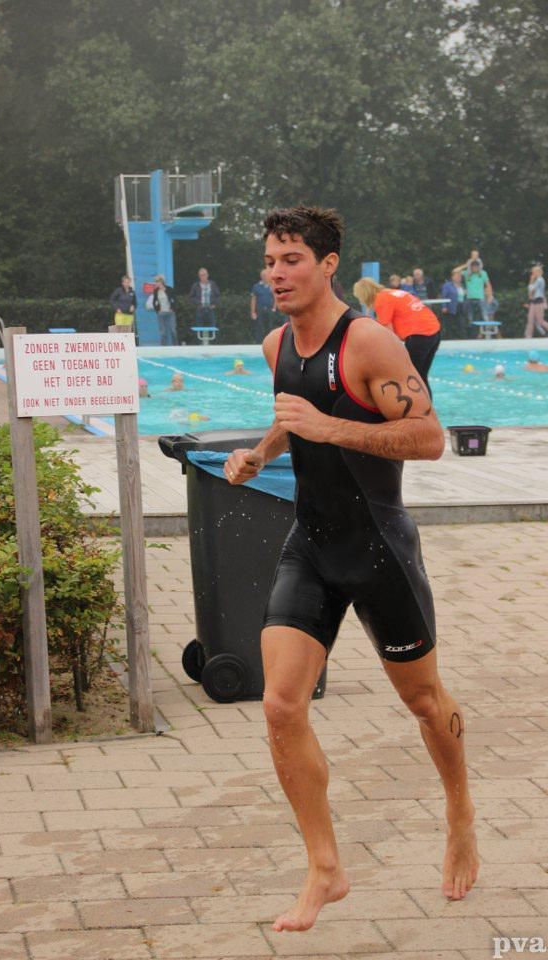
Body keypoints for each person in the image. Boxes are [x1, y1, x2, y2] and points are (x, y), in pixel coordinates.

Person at [224, 205, 478, 933]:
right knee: (279, 704)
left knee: (426, 704)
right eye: (271, 260)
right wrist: (261, 454)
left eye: (292, 259)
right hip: (312, 543)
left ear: (329, 263)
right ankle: (325, 867)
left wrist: (332, 429)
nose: (277, 273)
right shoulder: (277, 341)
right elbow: (294, 411)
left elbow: (430, 438)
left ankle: (459, 811)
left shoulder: (367, 342)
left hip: (378, 550)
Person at [353, 277, 441, 396]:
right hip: (434, 332)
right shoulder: (391, 293)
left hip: (420, 336)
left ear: (364, 294)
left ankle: (417, 410)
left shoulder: (381, 299)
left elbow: (389, 335)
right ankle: (427, 409)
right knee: (420, 375)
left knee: (410, 377)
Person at [459, 259, 493, 332]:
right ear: (471, 267)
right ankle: (471, 330)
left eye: (476, 266)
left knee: (484, 313)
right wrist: (465, 265)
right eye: (473, 266)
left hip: (480, 297)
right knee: (469, 315)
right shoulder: (467, 273)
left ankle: (487, 328)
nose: (475, 268)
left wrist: (490, 295)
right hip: (469, 297)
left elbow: (488, 284)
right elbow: (455, 271)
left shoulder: (483, 273)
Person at [250, 269, 277, 341]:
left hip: (270, 309)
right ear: (261, 277)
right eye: (263, 276)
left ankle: (271, 342)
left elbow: (276, 297)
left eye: (266, 275)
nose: (265, 277)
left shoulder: (273, 286)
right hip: (259, 309)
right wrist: (253, 312)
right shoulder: (256, 286)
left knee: (270, 326)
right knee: (259, 326)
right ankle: (258, 342)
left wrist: (274, 307)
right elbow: (253, 299)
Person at [440, 269, 468, 338]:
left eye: (460, 276)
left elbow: (465, 296)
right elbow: (444, 296)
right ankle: (449, 337)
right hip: (451, 306)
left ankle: (462, 338)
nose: (458, 277)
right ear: (452, 277)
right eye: (457, 276)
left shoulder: (462, 286)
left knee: (461, 323)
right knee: (449, 324)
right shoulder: (447, 285)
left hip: (460, 306)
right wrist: (444, 306)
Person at [152, 275, 178, 346]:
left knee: (173, 330)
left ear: (161, 282)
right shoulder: (156, 291)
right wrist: (157, 310)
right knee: (163, 332)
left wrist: (173, 308)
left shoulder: (169, 289)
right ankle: (163, 347)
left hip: (170, 313)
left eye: (157, 281)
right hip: (161, 313)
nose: (156, 283)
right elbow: (154, 302)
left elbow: (175, 300)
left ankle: (175, 346)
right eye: (155, 281)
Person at [524, 265, 548, 338]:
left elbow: (531, 291)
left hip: (538, 302)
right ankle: (528, 336)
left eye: (533, 272)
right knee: (530, 319)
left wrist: (531, 280)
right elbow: (531, 292)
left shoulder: (539, 280)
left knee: (540, 321)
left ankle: (528, 336)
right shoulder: (537, 280)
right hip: (534, 302)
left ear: (538, 272)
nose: (532, 273)